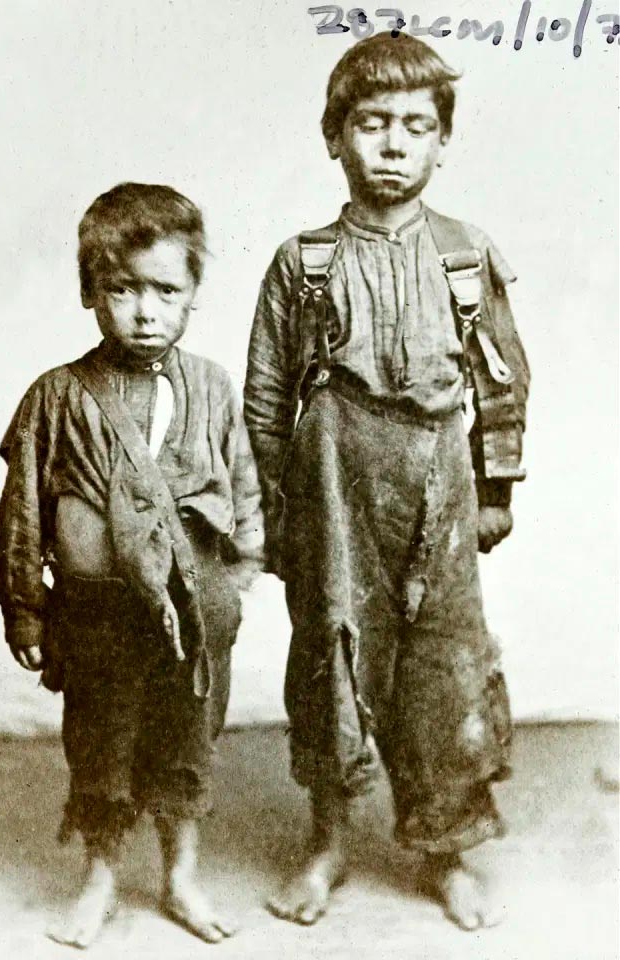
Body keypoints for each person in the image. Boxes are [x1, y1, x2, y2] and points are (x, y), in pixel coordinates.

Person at [244, 33, 529, 931]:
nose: (394, 144)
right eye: (372, 124)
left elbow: (503, 381)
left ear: (444, 141)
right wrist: (274, 514)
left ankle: (443, 849)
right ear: (336, 137)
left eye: (416, 125)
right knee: (333, 653)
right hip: (332, 481)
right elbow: (262, 401)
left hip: (439, 483)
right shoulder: (305, 263)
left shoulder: (466, 256)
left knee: (441, 665)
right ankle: (328, 841)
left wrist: (495, 491)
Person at [0, 182, 263, 948]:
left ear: (193, 296)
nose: (145, 310)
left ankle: (181, 877)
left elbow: (243, 485)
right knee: (103, 743)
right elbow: (23, 514)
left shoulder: (210, 387)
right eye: (122, 289)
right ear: (90, 292)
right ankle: (102, 879)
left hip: (193, 619)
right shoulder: (57, 397)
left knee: (186, 738)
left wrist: (233, 582)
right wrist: (24, 604)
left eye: (165, 290)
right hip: (98, 617)